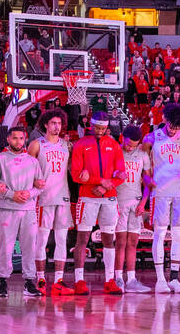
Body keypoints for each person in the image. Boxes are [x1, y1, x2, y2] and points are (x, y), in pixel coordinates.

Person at [0, 126, 46, 297]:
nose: (18, 141)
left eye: (21, 138)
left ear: (25, 139)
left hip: (28, 210)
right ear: (8, 140)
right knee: (6, 247)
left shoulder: (33, 161)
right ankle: (2, 281)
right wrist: (11, 194)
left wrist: (30, 193)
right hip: (7, 209)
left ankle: (29, 282)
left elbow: (40, 185)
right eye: (14, 138)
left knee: (29, 247)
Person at [69, 112, 126, 294]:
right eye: (97, 128)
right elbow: (76, 175)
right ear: (91, 125)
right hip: (87, 197)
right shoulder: (81, 144)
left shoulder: (114, 145)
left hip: (108, 197)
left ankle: (110, 279)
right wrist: (100, 181)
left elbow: (121, 174)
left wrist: (104, 186)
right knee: (82, 239)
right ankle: (79, 280)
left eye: (103, 128)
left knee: (109, 239)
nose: (100, 131)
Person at [141, 103, 180, 293]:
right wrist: (146, 178)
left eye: (177, 127)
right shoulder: (151, 138)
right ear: (165, 120)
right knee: (160, 234)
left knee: (178, 234)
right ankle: (160, 279)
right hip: (160, 191)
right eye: (171, 126)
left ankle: (174, 278)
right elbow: (141, 166)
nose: (173, 131)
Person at [28, 109, 76, 296]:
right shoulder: (36, 145)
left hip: (63, 197)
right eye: (53, 123)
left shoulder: (67, 146)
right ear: (46, 125)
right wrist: (33, 182)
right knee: (41, 240)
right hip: (43, 198)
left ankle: (59, 280)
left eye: (59, 123)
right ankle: (40, 278)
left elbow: (73, 169)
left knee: (62, 240)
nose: (57, 127)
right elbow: (26, 171)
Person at [113, 125, 152, 293]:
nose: (130, 147)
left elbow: (148, 183)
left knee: (133, 242)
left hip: (136, 203)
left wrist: (143, 203)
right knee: (120, 242)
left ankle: (132, 279)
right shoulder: (115, 152)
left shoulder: (143, 156)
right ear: (122, 137)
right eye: (128, 143)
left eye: (134, 145)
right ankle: (118, 278)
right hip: (119, 202)